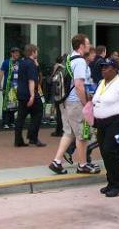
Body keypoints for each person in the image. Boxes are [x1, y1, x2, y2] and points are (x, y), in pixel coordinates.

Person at [48, 34, 99, 175]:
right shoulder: (81, 62)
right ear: (82, 46)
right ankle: (82, 165)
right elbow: (79, 85)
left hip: (64, 102)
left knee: (69, 133)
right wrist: (86, 103)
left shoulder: (69, 59)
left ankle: (57, 162)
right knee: (82, 134)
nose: (89, 46)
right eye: (87, 44)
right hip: (75, 102)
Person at [92, 58, 119, 197]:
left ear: (115, 69)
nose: (103, 69)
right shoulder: (102, 83)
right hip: (102, 123)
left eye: (107, 67)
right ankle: (111, 182)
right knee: (104, 153)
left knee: (110, 151)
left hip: (116, 121)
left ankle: (118, 184)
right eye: (102, 67)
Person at [14, 45, 45, 147]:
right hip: (30, 94)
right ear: (33, 52)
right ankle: (33, 137)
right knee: (38, 112)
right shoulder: (31, 64)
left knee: (21, 117)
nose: (37, 53)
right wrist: (32, 95)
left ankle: (18, 140)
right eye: (36, 52)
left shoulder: (22, 62)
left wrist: (36, 65)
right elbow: (31, 80)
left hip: (21, 93)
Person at [0, 48, 21, 129]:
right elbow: (1, 73)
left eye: (18, 53)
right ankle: (5, 122)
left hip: (16, 87)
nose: (17, 54)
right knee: (6, 104)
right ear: (12, 53)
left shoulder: (19, 62)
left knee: (14, 104)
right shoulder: (6, 62)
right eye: (16, 53)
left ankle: (11, 122)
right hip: (7, 87)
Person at [50, 55, 65, 137]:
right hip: (64, 94)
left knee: (60, 113)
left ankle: (59, 131)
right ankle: (61, 130)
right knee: (62, 113)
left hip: (59, 95)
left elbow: (53, 81)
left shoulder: (59, 72)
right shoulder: (65, 70)